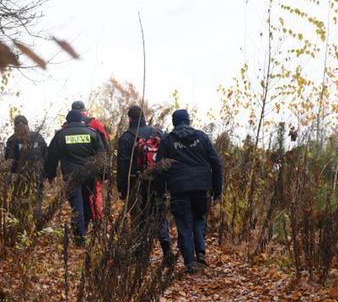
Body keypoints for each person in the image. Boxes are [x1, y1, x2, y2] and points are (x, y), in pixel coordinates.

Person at [156, 109, 223, 273]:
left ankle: (189, 262)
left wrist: (160, 192)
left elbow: (160, 168)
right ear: (188, 120)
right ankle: (200, 252)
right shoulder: (202, 137)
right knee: (199, 218)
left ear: (174, 122)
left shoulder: (168, 140)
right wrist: (217, 190)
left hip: (179, 189)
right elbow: (217, 163)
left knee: (184, 223)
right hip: (202, 187)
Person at [117, 105, 171, 258]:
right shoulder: (159, 133)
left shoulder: (127, 137)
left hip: (137, 184)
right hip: (158, 183)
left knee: (138, 217)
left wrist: (122, 190)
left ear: (130, 119)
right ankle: (167, 250)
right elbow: (168, 158)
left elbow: (122, 166)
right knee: (159, 216)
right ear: (144, 117)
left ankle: (140, 254)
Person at [45, 109, 106, 246]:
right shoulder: (92, 133)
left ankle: (79, 238)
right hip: (89, 175)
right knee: (87, 203)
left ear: (68, 121)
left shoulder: (61, 135)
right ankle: (82, 231)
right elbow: (102, 156)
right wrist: (103, 175)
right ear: (81, 119)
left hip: (71, 177)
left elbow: (51, 157)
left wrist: (50, 174)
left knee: (76, 206)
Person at [68, 100, 110, 221]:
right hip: (93, 168)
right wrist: (105, 169)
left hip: (72, 171)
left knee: (77, 198)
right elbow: (105, 145)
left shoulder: (66, 125)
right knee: (94, 194)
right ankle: (97, 222)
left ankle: (81, 223)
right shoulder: (95, 123)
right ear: (84, 110)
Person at [4, 115, 47, 221]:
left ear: (14, 126)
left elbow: (9, 159)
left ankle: (20, 222)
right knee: (36, 197)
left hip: (20, 174)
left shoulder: (12, 139)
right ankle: (37, 223)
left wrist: (14, 172)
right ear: (27, 124)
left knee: (20, 197)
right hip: (37, 173)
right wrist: (44, 171)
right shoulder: (38, 136)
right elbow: (46, 154)